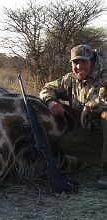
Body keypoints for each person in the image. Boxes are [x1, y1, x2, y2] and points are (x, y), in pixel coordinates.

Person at [39, 44, 107, 189]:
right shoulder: (70, 79)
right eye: (75, 62)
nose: (79, 66)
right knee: (66, 142)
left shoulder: (105, 76)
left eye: (84, 61)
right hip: (93, 131)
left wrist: (89, 106)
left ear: (93, 62)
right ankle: (104, 163)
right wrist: (50, 101)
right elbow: (47, 88)